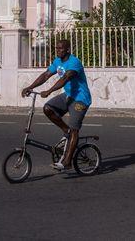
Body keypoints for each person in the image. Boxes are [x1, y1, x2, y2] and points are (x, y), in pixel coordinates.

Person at [21, 39, 91, 171]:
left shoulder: (74, 62)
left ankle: (67, 162)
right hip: (69, 95)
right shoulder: (58, 62)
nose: (58, 50)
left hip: (80, 99)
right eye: (56, 48)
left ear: (68, 50)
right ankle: (66, 131)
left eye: (60, 48)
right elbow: (46, 75)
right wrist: (30, 87)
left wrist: (49, 91)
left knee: (75, 129)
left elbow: (65, 78)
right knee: (48, 109)